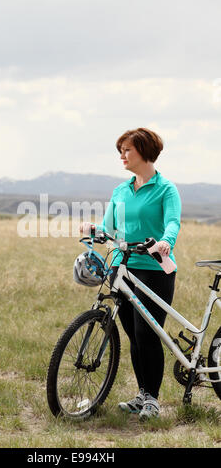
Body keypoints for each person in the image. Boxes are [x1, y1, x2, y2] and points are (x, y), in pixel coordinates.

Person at [79, 127, 181, 420]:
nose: (122, 155)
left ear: (145, 151)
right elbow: (109, 227)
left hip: (154, 269)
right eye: (120, 150)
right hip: (121, 267)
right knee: (133, 335)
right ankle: (142, 395)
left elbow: (173, 222)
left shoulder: (165, 189)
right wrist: (94, 230)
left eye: (128, 150)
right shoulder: (121, 190)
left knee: (146, 333)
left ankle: (153, 401)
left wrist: (166, 242)